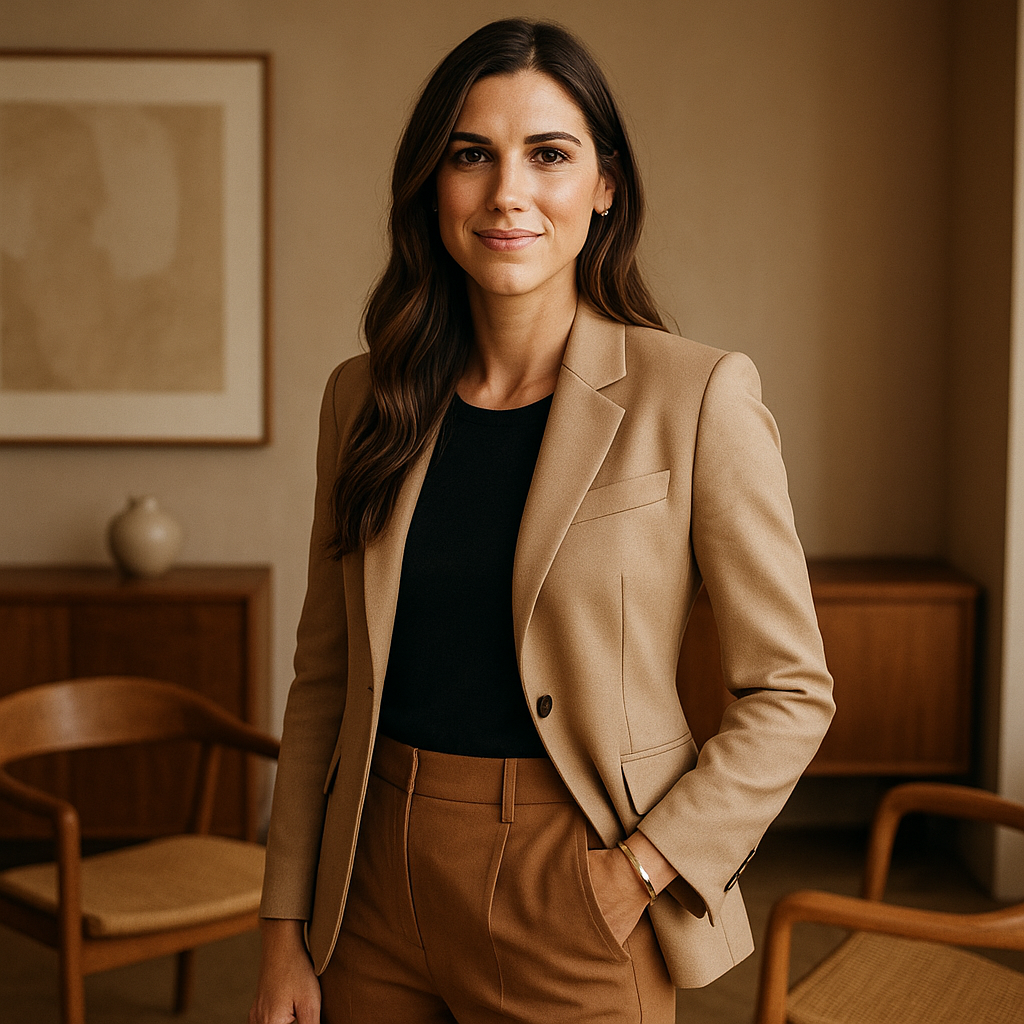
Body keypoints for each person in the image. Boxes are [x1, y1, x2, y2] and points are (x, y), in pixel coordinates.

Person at [250, 18, 834, 1024]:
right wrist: (279, 926)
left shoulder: (695, 395)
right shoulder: (363, 399)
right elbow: (325, 678)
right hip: (371, 883)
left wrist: (640, 870)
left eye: (548, 155)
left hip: (574, 885)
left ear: (603, 184)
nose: (506, 192)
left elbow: (791, 690)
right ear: (432, 184)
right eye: (471, 155)